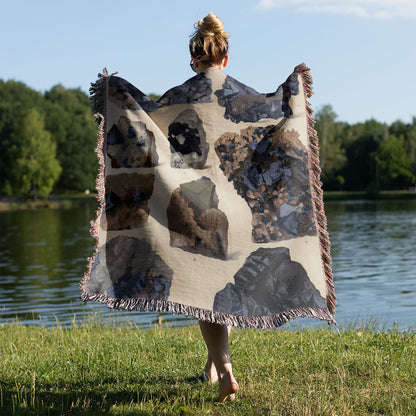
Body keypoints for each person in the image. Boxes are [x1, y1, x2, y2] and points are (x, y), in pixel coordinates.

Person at [189, 12, 238, 403]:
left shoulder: (183, 95)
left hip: (201, 206)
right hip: (238, 207)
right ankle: (210, 365)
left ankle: (226, 372)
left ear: (194, 60)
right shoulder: (241, 96)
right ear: (225, 58)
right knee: (220, 291)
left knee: (205, 297)